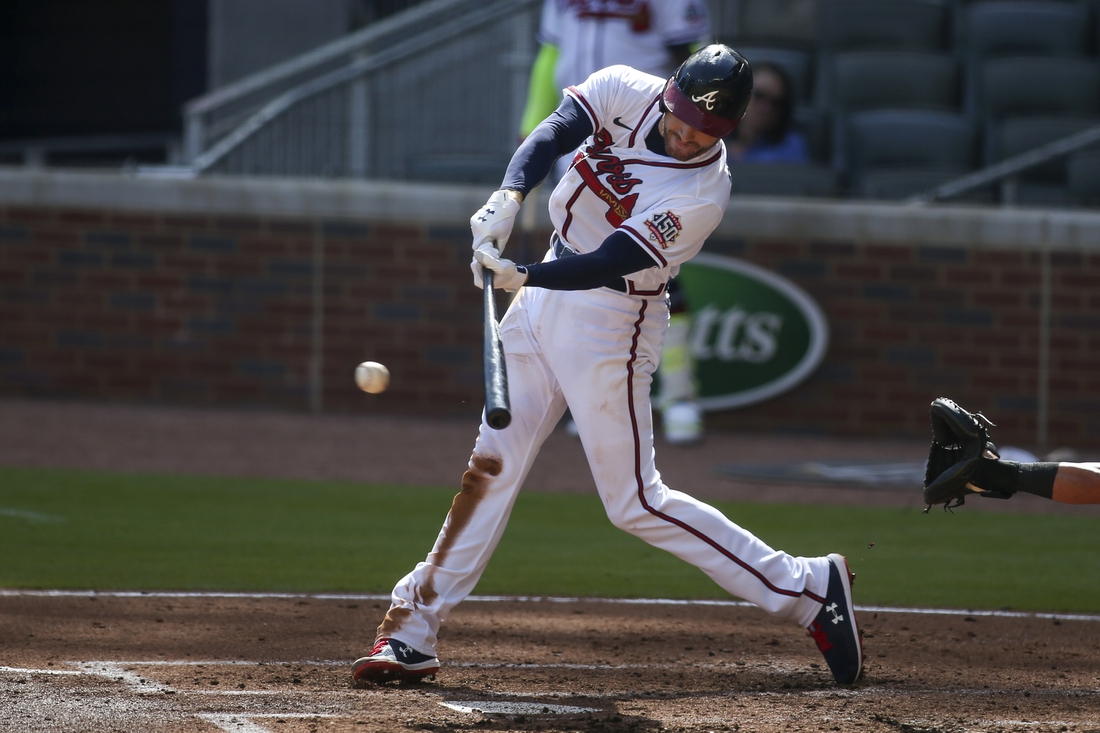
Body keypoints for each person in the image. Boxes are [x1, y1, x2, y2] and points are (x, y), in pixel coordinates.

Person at [350, 45, 864, 689]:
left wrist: (524, 273)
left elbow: (610, 259)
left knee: (635, 502)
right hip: (545, 294)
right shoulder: (626, 86)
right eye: (680, 120)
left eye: (704, 131)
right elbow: (554, 130)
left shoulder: (704, 189)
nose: (684, 136)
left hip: (611, 322)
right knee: (492, 464)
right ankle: (412, 628)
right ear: (670, 90)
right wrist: (508, 198)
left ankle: (807, 589)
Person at [520, 0, 714, 445]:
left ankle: (681, 397)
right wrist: (532, 127)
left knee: (651, 273)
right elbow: (551, 53)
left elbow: (696, 61)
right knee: (580, 272)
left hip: (648, 147)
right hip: (577, 141)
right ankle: (587, 394)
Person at [725, 61, 809, 165]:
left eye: (776, 103)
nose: (766, 108)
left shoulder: (791, 146)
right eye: (759, 96)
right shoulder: (708, 137)